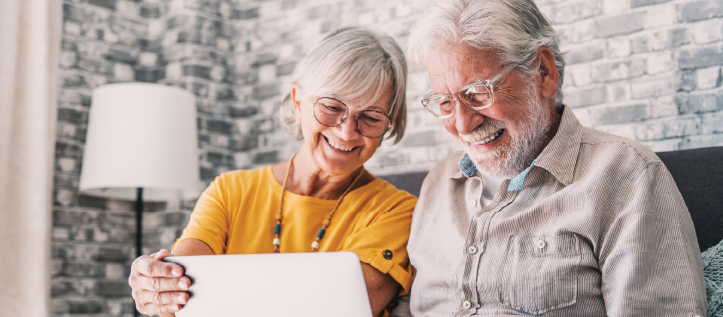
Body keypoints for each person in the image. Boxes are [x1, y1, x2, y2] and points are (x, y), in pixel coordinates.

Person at [392, 0, 707, 316]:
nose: (462, 124)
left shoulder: (626, 174)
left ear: (543, 72)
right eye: (445, 102)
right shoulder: (439, 182)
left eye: (477, 93)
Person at [128, 26, 416, 317]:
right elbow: (184, 294)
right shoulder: (229, 191)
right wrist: (158, 287)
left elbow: (345, 310)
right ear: (298, 102)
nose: (347, 130)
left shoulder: (398, 212)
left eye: (370, 116)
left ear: (388, 125)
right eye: (331, 106)